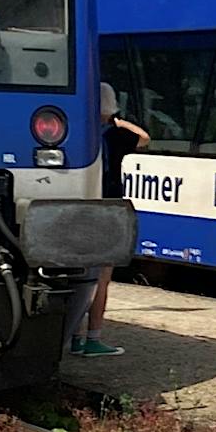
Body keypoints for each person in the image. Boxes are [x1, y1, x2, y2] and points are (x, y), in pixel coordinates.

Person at [69, 83, 150, 359]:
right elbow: (144, 138)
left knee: (78, 272)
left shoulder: (78, 130)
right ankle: (94, 338)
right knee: (101, 276)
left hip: (80, 205)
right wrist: (117, 119)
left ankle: (75, 337)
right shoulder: (117, 136)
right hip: (108, 208)